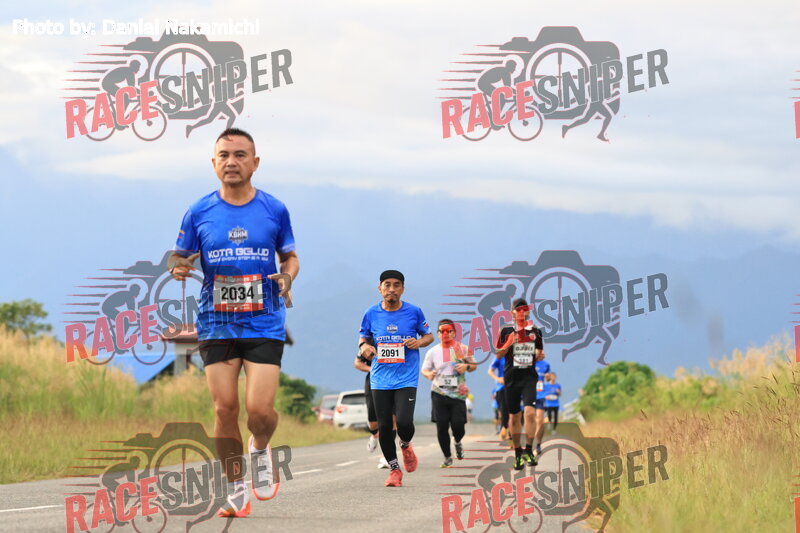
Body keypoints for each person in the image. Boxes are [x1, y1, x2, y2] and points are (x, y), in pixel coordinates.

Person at [169, 127, 299, 518]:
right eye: (224, 155)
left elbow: (290, 256)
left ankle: (260, 447)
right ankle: (236, 488)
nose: (231, 162)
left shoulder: (274, 209)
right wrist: (178, 267)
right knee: (224, 409)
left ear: (255, 163)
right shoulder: (199, 211)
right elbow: (178, 255)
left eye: (240, 155)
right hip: (217, 323)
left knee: (259, 411)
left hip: (264, 321)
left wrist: (288, 276)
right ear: (213, 163)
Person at [358, 270, 433, 487]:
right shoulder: (371, 313)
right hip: (380, 378)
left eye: (396, 285)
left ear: (403, 288)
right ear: (380, 288)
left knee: (403, 422)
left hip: (406, 378)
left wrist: (418, 343)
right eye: (387, 285)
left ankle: (406, 445)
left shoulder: (414, 312)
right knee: (384, 426)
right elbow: (363, 337)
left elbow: (429, 335)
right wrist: (365, 347)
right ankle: (394, 470)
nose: (392, 289)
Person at [495, 298, 545, 470]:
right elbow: (498, 355)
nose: (522, 312)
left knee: (530, 413)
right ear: (512, 312)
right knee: (514, 417)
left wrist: (539, 355)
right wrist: (509, 342)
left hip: (529, 377)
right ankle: (517, 453)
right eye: (518, 309)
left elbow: (540, 352)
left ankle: (528, 450)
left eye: (525, 309)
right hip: (511, 378)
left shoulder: (536, 331)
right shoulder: (506, 330)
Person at [421, 319, 476, 467]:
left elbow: (473, 365)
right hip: (439, 393)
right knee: (442, 425)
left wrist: (466, 366)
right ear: (438, 334)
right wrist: (429, 374)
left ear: (454, 333)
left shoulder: (462, 349)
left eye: (449, 331)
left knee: (458, 426)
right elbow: (424, 370)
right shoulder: (432, 352)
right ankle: (447, 457)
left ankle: (457, 441)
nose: (445, 334)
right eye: (442, 331)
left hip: (458, 394)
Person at [533, 350, 552, 456]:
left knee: (540, 421)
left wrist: (548, 377)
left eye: (543, 352)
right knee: (529, 420)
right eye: (540, 352)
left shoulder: (546, 365)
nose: (542, 353)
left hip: (540, 395)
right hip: (527, 394)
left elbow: (548, 378)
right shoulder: (527, 362)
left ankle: (538, 444)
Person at [488, 354, 509, 444]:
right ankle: (504, 429)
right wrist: (498, 379)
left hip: (514, 387)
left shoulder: (517, 355)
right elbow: (490, 371)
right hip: (501, 387)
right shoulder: (500, 356)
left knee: (514, 412)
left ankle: (510, 433)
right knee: (504, 412)